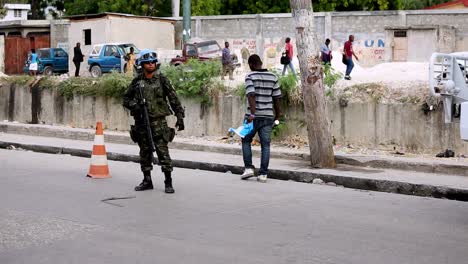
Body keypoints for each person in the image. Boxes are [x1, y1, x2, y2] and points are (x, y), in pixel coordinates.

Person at [123, 50, 185, 193]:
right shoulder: (137, 82)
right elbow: (126, 99)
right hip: (142, 124)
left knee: (163, 153)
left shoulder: (162, 79)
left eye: (152, 62)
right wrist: (135, 105)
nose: (151, 65)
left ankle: (168, 182)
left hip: (159, 123)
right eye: (147, 63)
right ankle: (147, 180)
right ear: (142, 65)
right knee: (144, 154)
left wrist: (179, 116)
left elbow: (173, 98)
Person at [241, 54, 282, 183]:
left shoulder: (250, 76)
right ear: (261, 62)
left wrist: (252, 114)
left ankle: (248, 168)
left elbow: (251, 95)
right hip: (268, 116)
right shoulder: (273, 77)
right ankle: (263, 174)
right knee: (265, 145)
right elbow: (277, 98)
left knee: (246, 140)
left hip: (253, 117)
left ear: (251, 65)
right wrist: (278, 115)